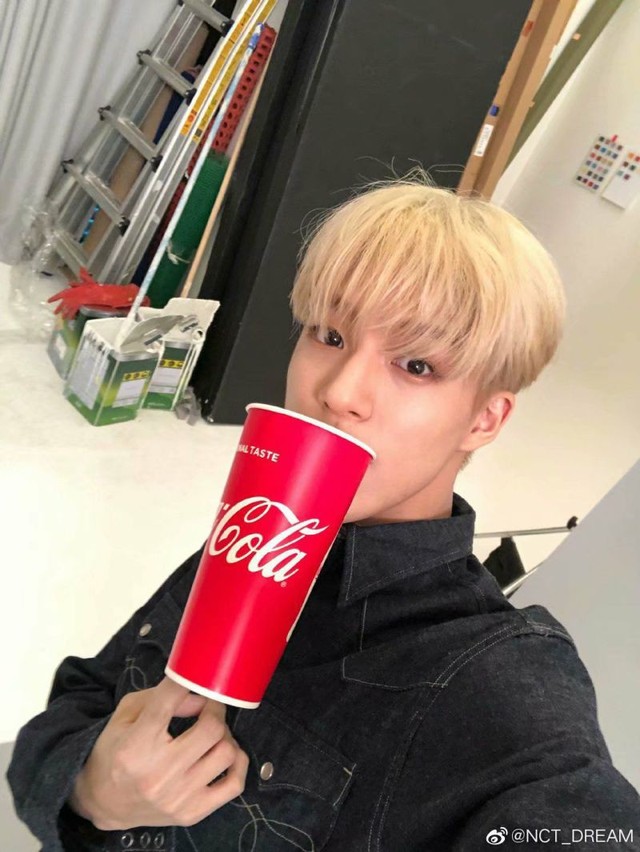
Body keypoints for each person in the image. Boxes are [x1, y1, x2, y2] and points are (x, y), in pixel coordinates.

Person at [8, 179, 640, 851]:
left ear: (484, 419)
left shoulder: (495, 686)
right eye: (330, 334)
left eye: (416, 364)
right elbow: (78, 701)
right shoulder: (257, 537)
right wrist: (93, 793)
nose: (339, 392)